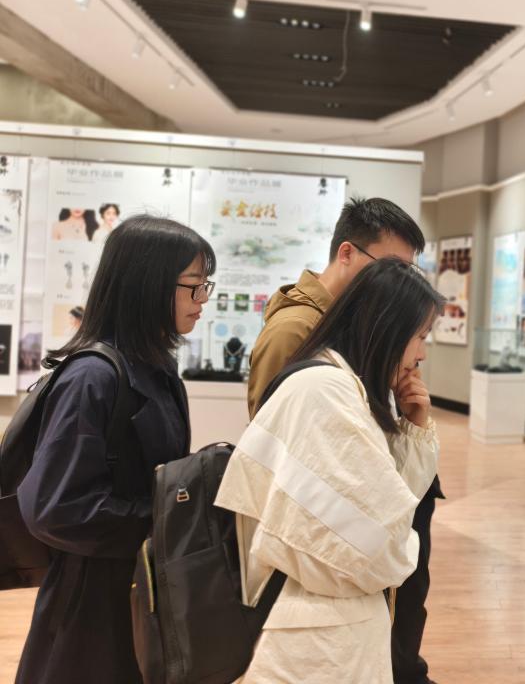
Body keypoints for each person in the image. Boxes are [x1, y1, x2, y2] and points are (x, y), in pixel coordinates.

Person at [216, 259, 442, 683]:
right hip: (313, 642)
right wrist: (404, 548)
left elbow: (390, 504)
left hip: (325, 632)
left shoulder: (344, 385)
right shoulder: (327, 392)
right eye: (421, 335)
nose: (422, 353)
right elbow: (378, 545)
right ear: (387, 327)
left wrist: (412, 428)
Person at [15, 215, 215, 684]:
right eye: (194, 286)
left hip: (141, 587)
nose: (203, 299)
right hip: (91, 603)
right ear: (148, 285)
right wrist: (163, 520)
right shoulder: (93, 378)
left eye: (206, 285)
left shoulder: (158, 368)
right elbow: (56, 508)